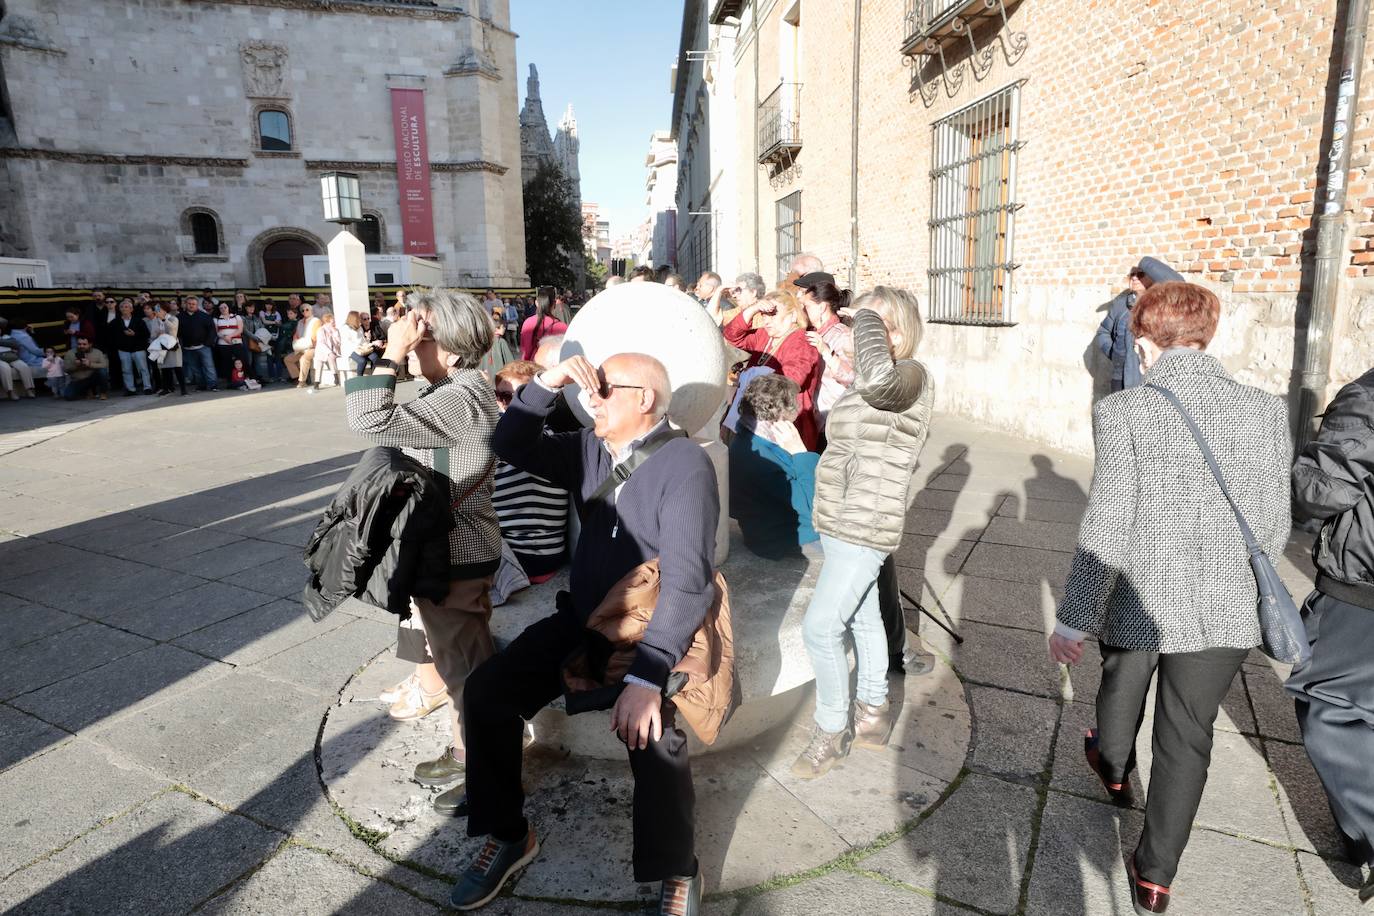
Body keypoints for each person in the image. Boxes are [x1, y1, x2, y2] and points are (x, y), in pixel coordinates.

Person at [1049, 281, 1291, 915]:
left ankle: (1113, 765)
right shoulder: (1265, 411)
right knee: (1188, 735)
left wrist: (1073, 619)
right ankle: (1154, 877)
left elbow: (1107, 523)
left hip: (1141, 599)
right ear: (1206, 335)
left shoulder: (1123, 411)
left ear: (1146, 339)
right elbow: (1272, 528)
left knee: (1119, 692)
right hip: (1226, 608)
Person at [454, 350, 715, 914]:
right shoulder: (590, 447)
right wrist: (545, 384)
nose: (589, 399)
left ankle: (676, 870)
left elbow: (689, 584)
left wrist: (649, 675)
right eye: (587, 390)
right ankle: (508, 834)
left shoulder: (686, 465)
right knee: (487, 693)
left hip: (645, 629)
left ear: (644, 399)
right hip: (584, 620)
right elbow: (511, 445)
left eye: (603, 390)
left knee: (655, 734)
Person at [346, 288, 503, 815]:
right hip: (459, 550)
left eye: (422, 334)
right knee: (462, 666)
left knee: (467, 672)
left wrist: (390, 353)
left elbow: (367, 419)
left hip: (455, 556)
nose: (412, 343)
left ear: (453, 350)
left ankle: (488, 772)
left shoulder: (458, 397)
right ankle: (467, 751)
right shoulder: (461, 389)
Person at [791, 287, 932, 780]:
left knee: (819, 626)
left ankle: (830, 731)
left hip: (865, 523)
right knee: (865, 619)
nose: (864, 333)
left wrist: (866, 317)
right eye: (866, 324)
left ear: (899, 332)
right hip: (843, 518)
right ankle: (873, 713)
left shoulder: (910, 376)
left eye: (878, 325)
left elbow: (876, 379)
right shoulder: (877, 378)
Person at [1289, 368, 1374, 905]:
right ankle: (1355, 835)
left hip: (1361, 588)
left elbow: (1324, 487)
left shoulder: (1370, 396)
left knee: (1329, 709)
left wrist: (1284, 476)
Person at [491, 361, 568, 583]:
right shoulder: (556, 438)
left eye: (521, 396)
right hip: (551, 557)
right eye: (503, 395)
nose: (508, 403)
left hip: (516, 560)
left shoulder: (500, 444)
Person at [729, 374, 820, 560]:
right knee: (868, 549)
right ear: (778, 417)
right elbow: (812, 507)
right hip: (788, 541)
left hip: (777, 533)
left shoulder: (747, 438)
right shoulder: (762, 459)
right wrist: (800, 453)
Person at [722, 289, 822, 450]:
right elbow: (732, 334)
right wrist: (753, 308)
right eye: (764, 315)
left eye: (773, 315)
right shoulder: (765, 336)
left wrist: (751, 377)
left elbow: (791, 379)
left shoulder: (801, 340)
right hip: (755, 418)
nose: (767, 321)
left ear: (793, 316)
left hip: (783, 426)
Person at [1094, 257, 1184, 392]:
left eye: (1140, 274)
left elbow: (1179, 284)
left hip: (1148, 377)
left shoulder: (1162, 303)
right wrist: (1115, 353)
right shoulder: (1121, 304)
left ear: (1152, 277)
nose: (1135, 278)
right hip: (1120, 378)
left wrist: (1143, 261)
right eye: (1132, 274)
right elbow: (1104, 331)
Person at [794, 272, 856, 431]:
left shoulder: (843, 335)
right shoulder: (814, 332)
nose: (803, 310)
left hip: (836, 422)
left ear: (821, 307)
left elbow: (852, 378)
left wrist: (826, 352)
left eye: (807, 307)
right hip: (814, 420)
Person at [111, 298, 154, 395]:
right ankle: (130, 389)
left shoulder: (139, 321)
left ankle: (147, 387)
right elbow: (112, 336)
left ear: (131, 309)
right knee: (126, 369)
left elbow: (146, 334)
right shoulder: (115, 322)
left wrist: (135, 334)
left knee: (143, 368)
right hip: (123, 349)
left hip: (138, 348)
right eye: (122, 307)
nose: (124, 309)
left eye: (126, 307)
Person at [178, 295, 219, 391]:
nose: (191, 306)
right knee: (195, 369)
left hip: (203, 347)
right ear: (185, 304)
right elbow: (177, 333)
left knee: (209, 367)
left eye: (193, 304)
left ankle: (213, 385)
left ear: (197, 305)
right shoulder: (179, 317)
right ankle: (201, 386)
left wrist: (208, 343)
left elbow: (212, 331)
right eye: (189, 304)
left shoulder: (204, 316)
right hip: (188, 348)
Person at [519, 288, 567, 362]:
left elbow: (525, 350)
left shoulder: (527, 323)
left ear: (536, 303)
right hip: (554, 368)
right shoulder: (562, 326)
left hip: (532, 366)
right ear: (554, 304)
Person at [284, 303, 322, 387]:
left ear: (311, 310)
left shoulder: (316, 320)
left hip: (313, 347)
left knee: (303, 359)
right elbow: (296, 335)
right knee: (288, 359)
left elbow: (315, 336)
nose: (305, 311)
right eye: (302, 310)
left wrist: (306, 344)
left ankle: (302, 381)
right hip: (302, 347)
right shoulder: (300, 322)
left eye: (307, 309)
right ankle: (297, 377)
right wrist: (297, 343)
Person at [153, 302, 185, 396]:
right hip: (161, 346)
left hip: (172, 346)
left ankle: (183, 389)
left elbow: (173, 329)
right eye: (156, 310)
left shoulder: (173, 318)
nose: (157, 312)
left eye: (159, 309)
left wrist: (163, 319)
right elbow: (152, 333)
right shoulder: (155, 320)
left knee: (177, 368)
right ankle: (166, 388)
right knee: (164, 369)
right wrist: (157, 334)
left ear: (164, 309)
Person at [213, 301, 247, 383]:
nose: (223, 309)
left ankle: (243, 378)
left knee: (241, 360)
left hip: (237, 342)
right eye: (221, 308)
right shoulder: (216, 319)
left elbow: (240, 330)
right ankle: (230, 381)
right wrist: (224, 337)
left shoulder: (236, 317)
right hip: (223, 343)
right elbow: (217, 332)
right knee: (226, 362)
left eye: (225, 307)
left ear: (228, 308)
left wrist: (229, 336)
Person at [341, 311, 375, 378]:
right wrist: (360, 347)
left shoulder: (360, 328)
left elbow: (363, 341)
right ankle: (359, 378)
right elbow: (347, 343)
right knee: (362, 361)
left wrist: (368, 339)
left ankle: (374, 376)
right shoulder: (345, 328)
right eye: (359, 317)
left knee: (374, 357)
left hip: (362, 349)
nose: (360, 319)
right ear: (354, 318)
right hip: (351, 350)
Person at [272, 305, 299, 384]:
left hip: (291, 343)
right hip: (286, 344)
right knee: (289, 360)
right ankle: (294, 376)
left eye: (291, 313)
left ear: (295, 314)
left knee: (293, 360)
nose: (289, 315)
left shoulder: (296, 323)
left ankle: (296, 377)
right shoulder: (289, 322)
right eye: (288, 314)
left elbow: (293, 333)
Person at [314, 310, 341, 387]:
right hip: (322, 351)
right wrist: (329, 352)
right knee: (319, 365)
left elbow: (338, 342)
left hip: (332, 350)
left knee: (332, 360)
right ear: (327, 322)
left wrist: (335, 333)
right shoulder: (321, 330)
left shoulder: (335, 330)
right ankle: (317, 382)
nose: (334, 323)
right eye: (332, 321)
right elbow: (321, 343)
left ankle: (336, 378)